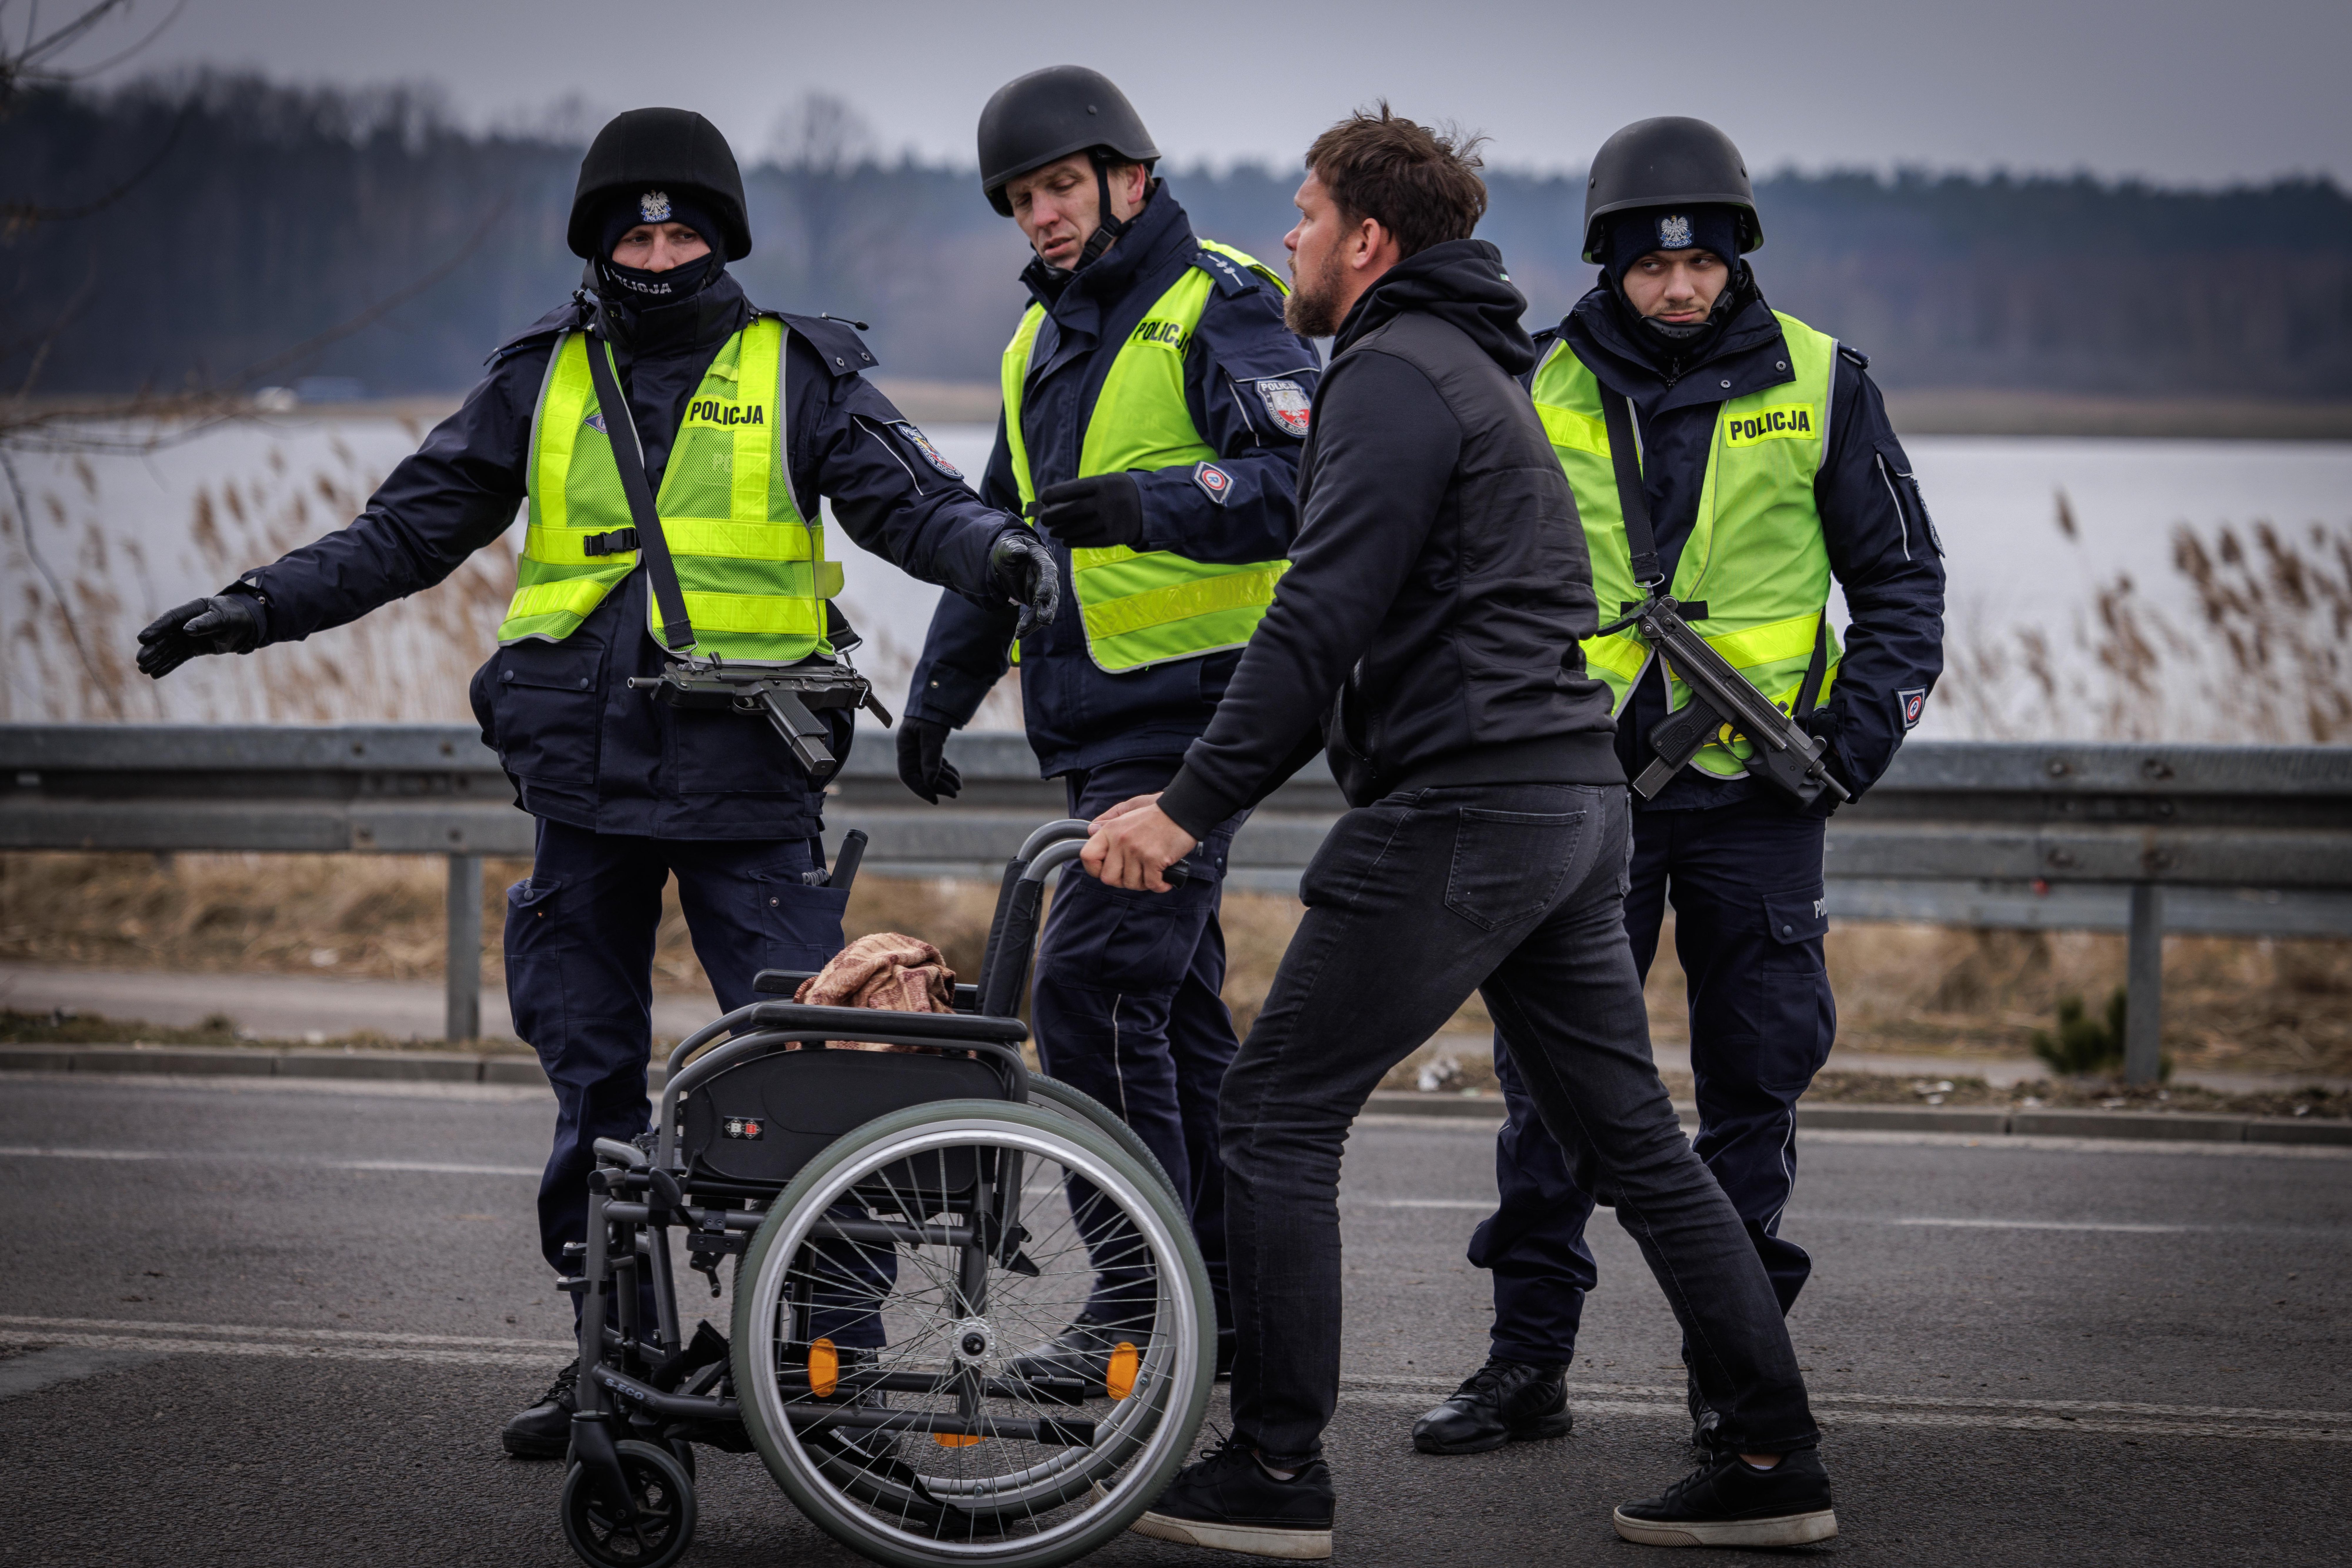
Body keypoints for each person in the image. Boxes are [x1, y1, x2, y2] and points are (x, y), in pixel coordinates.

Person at [133, 106, 1057, 1458]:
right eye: (634, 227)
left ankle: (821, 1370)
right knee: (592, 1088)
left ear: (722, 237)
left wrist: (996, 556)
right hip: (584, 791)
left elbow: (912, 500)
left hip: (750, 786)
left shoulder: (799, 368)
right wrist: (253, 605)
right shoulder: (538, 378)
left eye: (683, 226)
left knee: (815, 1074)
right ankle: (614, 1365)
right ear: (597, 241)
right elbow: (406, 530)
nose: (659, 247)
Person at [1082, 106, 1836, 1557]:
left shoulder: (1388, 375)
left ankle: (1276, 1468)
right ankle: (1768, 1447)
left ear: (1364, 239)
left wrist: (1181, 811)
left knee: (1274, 1111)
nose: (1287, 236)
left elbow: (1313, 620)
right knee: (1635, 1143)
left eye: (1303, 213)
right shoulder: (1465, 364)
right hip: (1567, 803)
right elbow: (1341, 629)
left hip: (1470, 804)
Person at [1410, 116, 1946, 1463]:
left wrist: (1852, 744)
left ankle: (1735, 1387)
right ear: (1607, 263)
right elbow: (1460, 584)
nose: (1679, 287)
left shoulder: (1824, 379)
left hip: (1761, 801)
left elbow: (1898, 587)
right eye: (1651, 268)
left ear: (1733, 256)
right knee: (1551, 1087)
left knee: (1751, 1083)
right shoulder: (1532, 386)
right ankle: (1525, 1362)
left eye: (1701, 262)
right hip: (1578, 795)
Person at [897, 65, 1317, 1381]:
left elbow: (1301, 481)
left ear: (1128, 180)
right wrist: (937, 695)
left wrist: (1151, 504)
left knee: (1086, 986)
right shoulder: (1040, 342)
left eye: (1061, 187)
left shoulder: (1220, 299)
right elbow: (1006, 541)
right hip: (1092, 732)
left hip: (1195, 719)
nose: (1043, 216)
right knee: (1177, 1022)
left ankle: (1141, 1305)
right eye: (1022, 200)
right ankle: (1231, 1312)